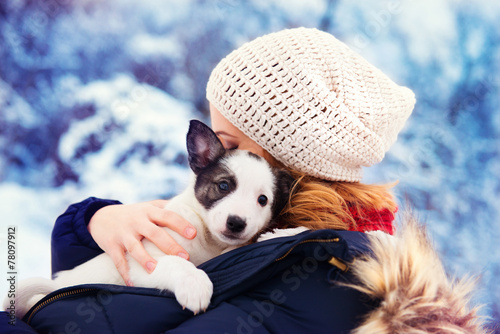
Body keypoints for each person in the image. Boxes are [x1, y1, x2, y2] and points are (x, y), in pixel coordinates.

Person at [5, 28, 487, 333]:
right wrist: (96, 223)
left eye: (231, 145)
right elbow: (103, 300)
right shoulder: (264, 244)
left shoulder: (320, 278)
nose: (217, 162)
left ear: (287, 163)